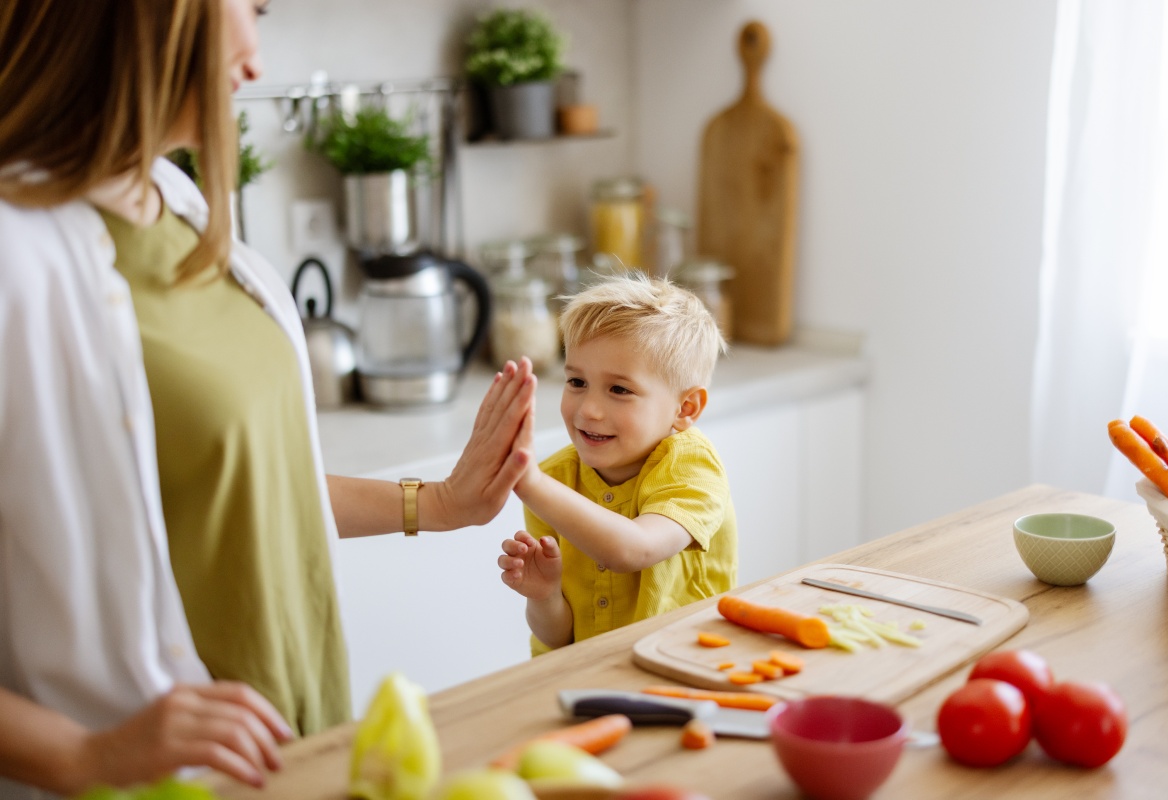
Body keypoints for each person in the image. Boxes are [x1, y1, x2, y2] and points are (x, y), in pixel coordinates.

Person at [0, 0, 534, 796]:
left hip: (304, 746)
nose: (256, 58)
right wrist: (86, 757)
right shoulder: (15, 250)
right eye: (246, 8)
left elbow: (240, 488)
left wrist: (442, 503)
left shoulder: (176, 210)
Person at [497, 275, 737, 653]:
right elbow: (558, 639)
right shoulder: (555, 478)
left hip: (680, 675)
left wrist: (531, 484)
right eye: (577, 381)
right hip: (584, 677)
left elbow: (634, 549)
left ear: (685, 408)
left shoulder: (692, 466)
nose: (589, 410)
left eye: (619, 390)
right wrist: (542, 596)